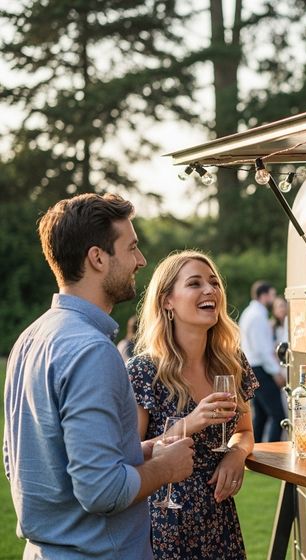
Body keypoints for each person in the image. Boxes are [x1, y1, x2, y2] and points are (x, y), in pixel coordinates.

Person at [3, 193, 195, 559]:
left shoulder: (29, 339)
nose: (140, 261)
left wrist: (139, 452)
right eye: (132, 248)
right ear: (98, 258)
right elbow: (101, 491)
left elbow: (25, 462)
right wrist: (164, 468)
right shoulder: (92, 351)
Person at [127, 250, 258, 559]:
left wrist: (236, 455)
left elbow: (245, 431)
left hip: (218, 515)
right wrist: (191, 421)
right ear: (167, 301)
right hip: (164, 519)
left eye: (214, 282)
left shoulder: (231, 363)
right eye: (195, 283)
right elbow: (129, 454)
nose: (210, 290)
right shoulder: (144, 370)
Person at [238, 281, 286, 442]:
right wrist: (275, 372)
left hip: (252, 368)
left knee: (261, 416)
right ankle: (273, 455)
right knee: (278, 416)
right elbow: (262, 350)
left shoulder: (248, 313)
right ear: (263, 295)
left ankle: (255, 450)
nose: (273, 298)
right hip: (260, 370)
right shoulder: (258, 316)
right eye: (272, 294)